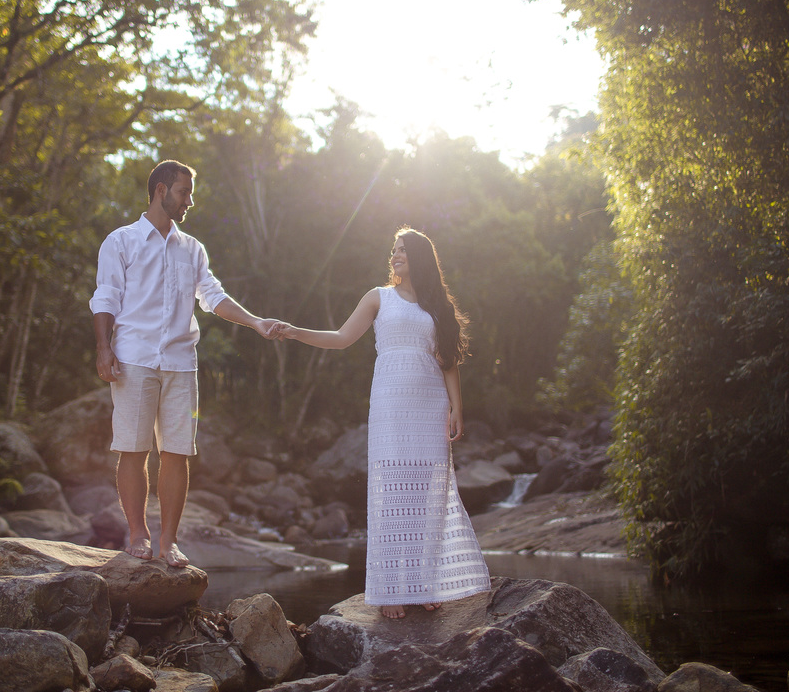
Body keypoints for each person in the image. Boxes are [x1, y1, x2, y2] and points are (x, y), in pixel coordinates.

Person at [272, 227, 491, 618]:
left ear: (420, 257)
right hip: (391, 404)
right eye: (393, 250)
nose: (395, 255)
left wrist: (457, 408)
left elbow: (448, 362)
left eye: (402, 250)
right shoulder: (378, 297)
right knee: (391, 492)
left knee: (426, 495)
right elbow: (341, 337)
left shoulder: (437, 306)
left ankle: (423, 584)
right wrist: (295, 332)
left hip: (430, 405)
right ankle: (391, 589)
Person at [90, 160, 280, 568]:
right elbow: (106, 296)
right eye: (183, 192)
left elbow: (213, 295)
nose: (189, 201)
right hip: (134, 358)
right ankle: (138, 534)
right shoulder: (120, 241)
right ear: (161, 190)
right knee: (133, 449)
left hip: (181, 362)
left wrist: (255, 322)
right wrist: (104, 348)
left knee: (177, 452)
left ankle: (169, 542)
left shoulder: (192, 248)